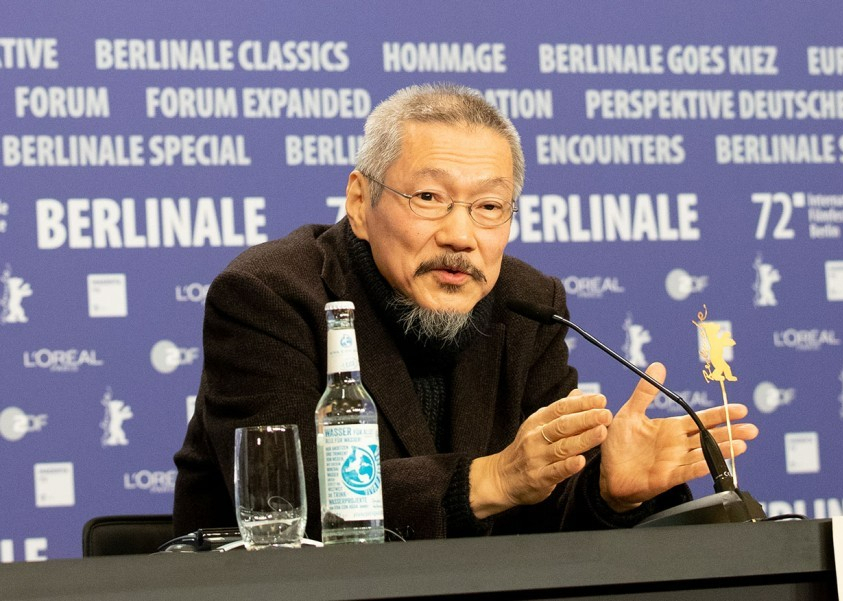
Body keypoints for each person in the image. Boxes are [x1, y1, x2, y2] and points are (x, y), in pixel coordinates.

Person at [172, 83, 758, 540]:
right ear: (359, 201)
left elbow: (538, 526)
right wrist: (488, 480)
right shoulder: (271, 294)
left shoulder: (528, 305)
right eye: (429, 198)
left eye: (488, 206)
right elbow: (285, 499)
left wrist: (606, 491)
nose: (460, 235)